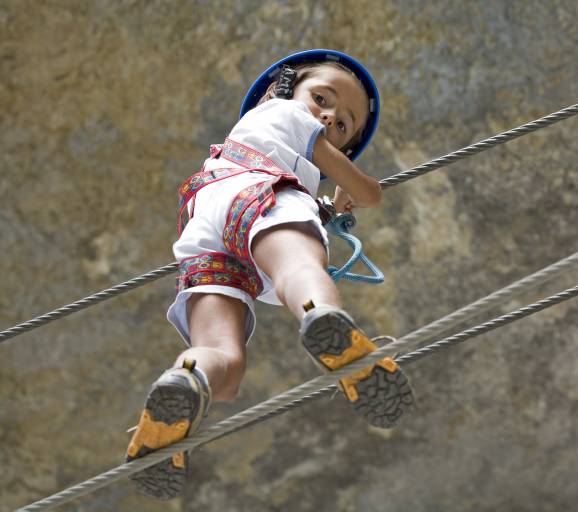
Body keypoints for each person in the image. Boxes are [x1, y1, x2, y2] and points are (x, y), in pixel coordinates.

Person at [124, 50, 414, 500]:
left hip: (205, 218)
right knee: (298, 265)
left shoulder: (263, 134)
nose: (330, 115)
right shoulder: (287, 114)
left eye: (342, 125)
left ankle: (186, 377)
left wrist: (327, 203)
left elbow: (300, 176)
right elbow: (369, 193)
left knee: (225, 363)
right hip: (259, 194)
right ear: (275, 91)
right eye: (322, 98)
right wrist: (347, 183)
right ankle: (321, 316)